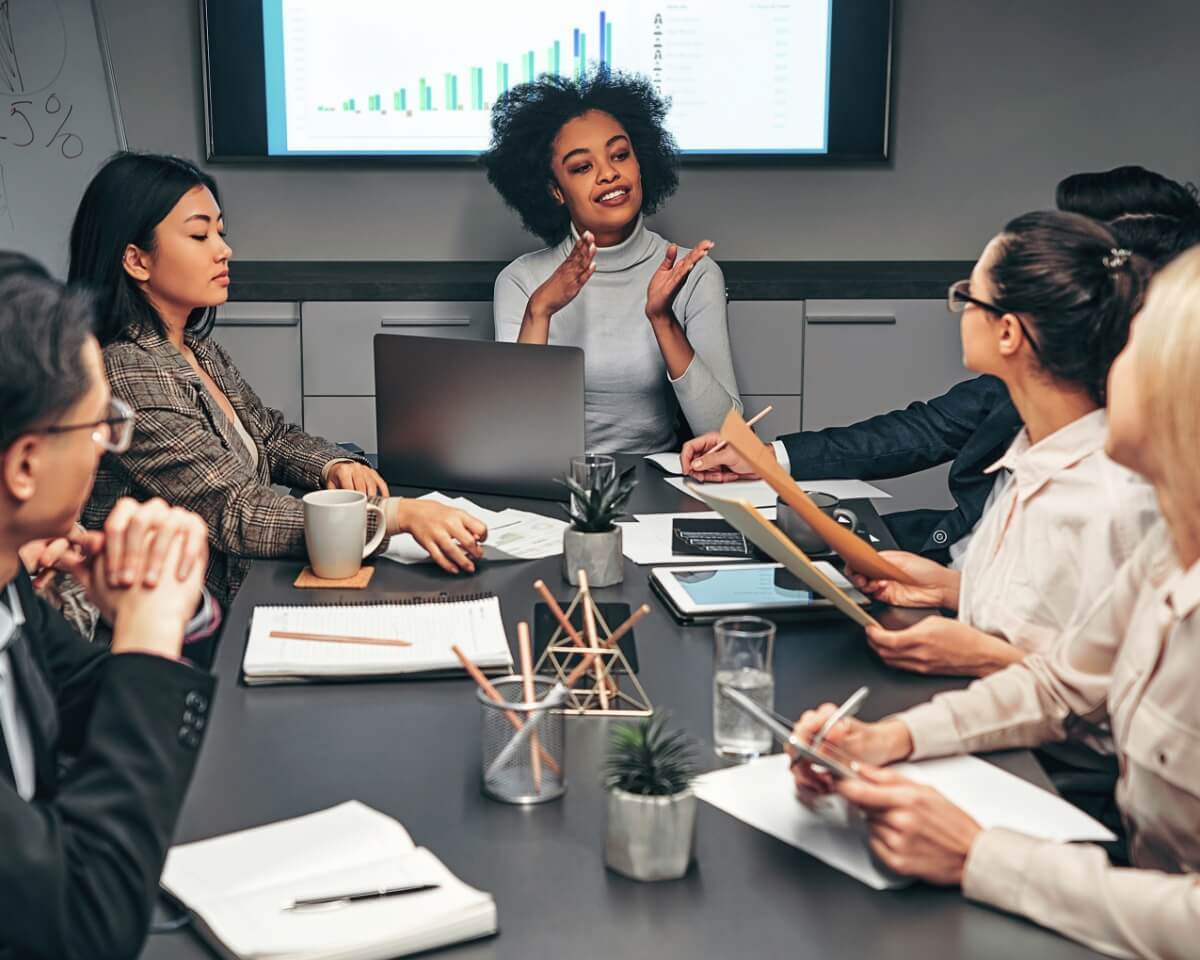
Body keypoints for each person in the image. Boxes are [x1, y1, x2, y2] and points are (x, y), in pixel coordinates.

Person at [788, 247, 1200, 960]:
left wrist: (979, 855)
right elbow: (1057, 681)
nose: (1108, 361)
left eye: (1136, 344)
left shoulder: (1122, 502)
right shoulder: (1172, 549)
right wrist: (890, 739)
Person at [682, 165, 1200, 560]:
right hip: (954, 554)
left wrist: (948, 593)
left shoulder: (1125, 456)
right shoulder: (1034, 369)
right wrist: (767, 457)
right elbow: (922, 430)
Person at [70, 153, 487, 607]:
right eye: (198, 234)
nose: (223, 249)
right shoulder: (129, 371)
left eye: (220, 232)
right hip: (192, 618)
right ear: (136, 260)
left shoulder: (197, 350)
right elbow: (237, 510)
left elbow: (269, 435)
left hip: (248, 581)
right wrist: (395, 516)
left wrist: (331, 466)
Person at [0, 259, 217, 958]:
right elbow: (88, 925)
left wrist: (143, 610)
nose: (106, 446)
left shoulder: (10, 589)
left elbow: (90, 702)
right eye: (99, 425)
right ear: (25, 465)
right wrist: (150, 628)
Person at [843, 212, 1159, 681]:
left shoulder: (1112, 496)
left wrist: (989, 657)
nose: (961, 310)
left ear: (1008, 332)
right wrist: (950, 589)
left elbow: (1134, 691)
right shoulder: (1029, 456)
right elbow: (1049, 622)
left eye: (967, 297)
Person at [484, 71, 741, 453]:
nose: (609, 174)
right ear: (556, 190)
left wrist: (662, 320)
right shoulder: (522, 281)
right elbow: (517, 438)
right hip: (553, 486)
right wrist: (539, 311)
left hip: (659, 486)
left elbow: (730, 440)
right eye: (582, 167)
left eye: (620, 155)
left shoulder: (693, 273)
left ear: (641, 164)